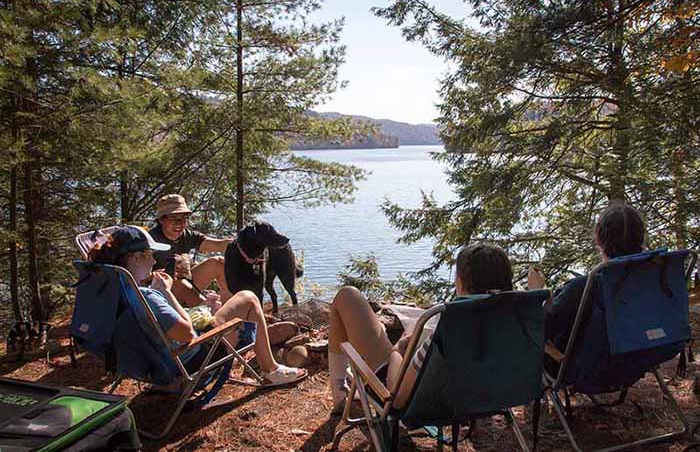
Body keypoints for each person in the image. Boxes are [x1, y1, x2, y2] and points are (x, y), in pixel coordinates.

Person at [88, 225, 307, 387]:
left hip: (144, 361)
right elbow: (187, 335)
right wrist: (164, 292)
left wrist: (200, 308)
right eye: (150, 256)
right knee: (248, 298)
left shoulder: (112, 292)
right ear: (135, 259)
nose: (154, 261)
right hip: (186, 362)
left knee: (219, 304)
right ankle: (271, 370)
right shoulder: (148, 298)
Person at [328, 242, 514, 413]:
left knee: (347, 296)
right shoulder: (516, 323)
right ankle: (340, 392)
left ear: (462, 283)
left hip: (411, 398)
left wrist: (398, 348)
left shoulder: (451, 329)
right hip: (474, 396)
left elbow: (398, 397)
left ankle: (339, 393)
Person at [527, 202, 646, 352]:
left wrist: (536, 293)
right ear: (640, 238)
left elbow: (539, 331)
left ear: (597, 237)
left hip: (586, 368)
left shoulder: (585, 288)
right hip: (635, 357)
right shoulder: (650, 282)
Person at [149, 194, 234, 305]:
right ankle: (208, 312)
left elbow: (217, 245)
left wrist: (240, 242)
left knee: (218, 262)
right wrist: (166, 273)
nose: (179, 223)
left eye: (183, 218)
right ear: (161, 220)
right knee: (180, 282)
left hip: (186, 283)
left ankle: (229, 308)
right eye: (173, 218)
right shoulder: (149, 239)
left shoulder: (187, 235)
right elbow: (139, 277)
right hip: (160, 291)